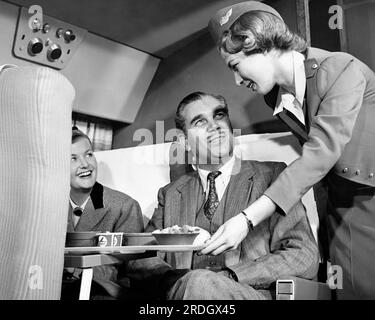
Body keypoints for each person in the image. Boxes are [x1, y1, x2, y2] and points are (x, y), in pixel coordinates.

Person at [206, 1, 375, 299]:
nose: (237, 80)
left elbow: (320, 152)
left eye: (236, 66)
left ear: (256, 42)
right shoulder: (276, 98)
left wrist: (247, 219)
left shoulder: (338, 68)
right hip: (339, 204)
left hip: (369, 196)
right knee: (349, 291)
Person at [146, 91, 319, 299]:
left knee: (201, 283)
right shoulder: (171, 193)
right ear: (184, 141)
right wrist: (181, 283)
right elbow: (143, 259)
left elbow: (303, 255)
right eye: (200, 122)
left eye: (219, 115)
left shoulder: (273, 176)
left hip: (249, 293)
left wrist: (232, 276)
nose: (215, 126)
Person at [62, 127, 144, 299]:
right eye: (73, 158)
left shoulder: (124, 207)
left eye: (89, 154)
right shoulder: (48, 208)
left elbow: (126, 269)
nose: (85, 164)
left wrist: (71, 268)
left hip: (101, 291)